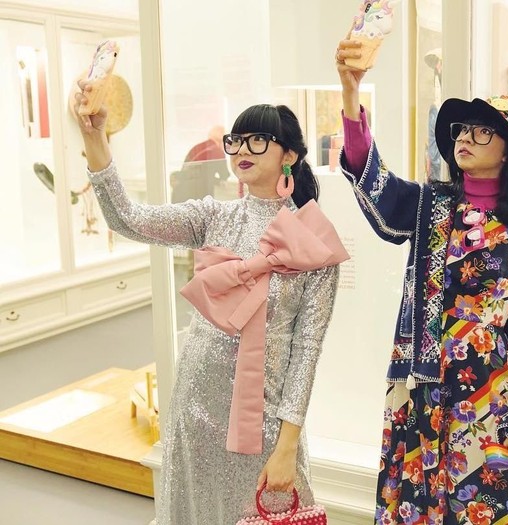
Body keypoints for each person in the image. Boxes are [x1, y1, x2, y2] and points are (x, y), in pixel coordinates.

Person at [74, 83, 347, 524]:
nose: (243, 150)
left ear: (290, 155)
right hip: (196, 408)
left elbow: (306, 354)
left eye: (258, 140)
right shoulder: (212, 217)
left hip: (263, 422)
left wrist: (287, 446)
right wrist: (95, 138)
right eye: (236, 140)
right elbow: (128, 219)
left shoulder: (312, 242)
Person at [336, 40, 508, 524]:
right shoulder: (432, 205)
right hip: (420, 385)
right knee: (418, 503)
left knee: (489, 505)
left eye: (483, 131)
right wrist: (351, 93)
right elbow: (374, 182)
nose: (465, 138)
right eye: (462, 129)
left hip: (488, 391)